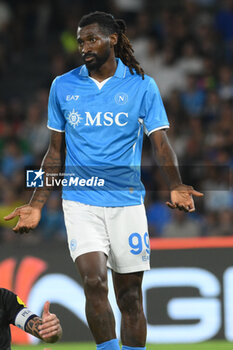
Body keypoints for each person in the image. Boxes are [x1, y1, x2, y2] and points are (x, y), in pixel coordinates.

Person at [4, 11, 203, 350]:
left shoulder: (142, 85)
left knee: (129, 296)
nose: (84, 47)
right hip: (81, 202)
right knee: (94, 281)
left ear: (113, 39)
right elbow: (54, 154)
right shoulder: (63, 86)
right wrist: (36, 204)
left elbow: (160, 143)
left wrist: (176, 183)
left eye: (92, 39)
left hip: (126, 203)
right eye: (81, 41)